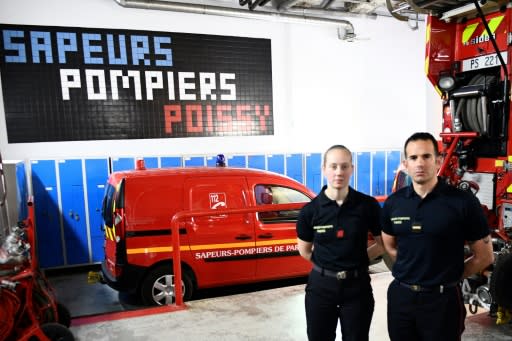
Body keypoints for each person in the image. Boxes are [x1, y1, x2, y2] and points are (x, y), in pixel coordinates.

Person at [381, 132, 494, 341]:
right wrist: (414, 267)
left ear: (438, 160)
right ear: (405, 164)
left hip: (443, 301)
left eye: (426, 156)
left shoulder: (462, 202)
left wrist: (451, 276)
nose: (420, 163)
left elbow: (485, 256)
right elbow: (390, 246)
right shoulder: (393, 203)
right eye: (413, 158)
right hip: (401, 298)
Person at [296, 144, 384, 341]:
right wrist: (328, 264)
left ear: (352, 169)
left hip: (357, 287)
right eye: (333, 166)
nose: (339, 172)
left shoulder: (367, 206)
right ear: (324, 169)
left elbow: (382, 244)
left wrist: (358, 259)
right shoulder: (310, 212)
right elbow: (304, 250)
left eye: (344, 166)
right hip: (321, 288)